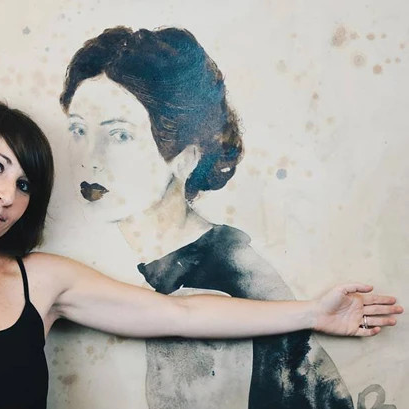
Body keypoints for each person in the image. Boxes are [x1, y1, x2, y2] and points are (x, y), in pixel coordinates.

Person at [0, 106, 401, 408]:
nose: (7, 195)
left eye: (23, 185)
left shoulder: (40, 282)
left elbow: (181, 314)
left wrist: (313, 313)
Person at [59, 27, 403, 408]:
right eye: (78, 130)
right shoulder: (169, 261)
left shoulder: (220, 279)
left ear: (186, 158)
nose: (89, 158)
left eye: (119, 135)